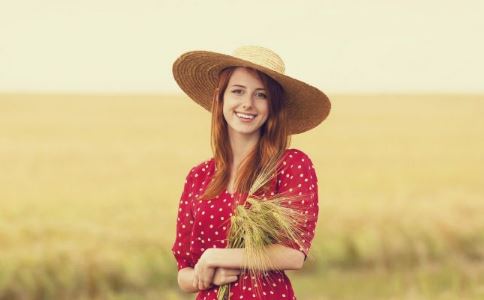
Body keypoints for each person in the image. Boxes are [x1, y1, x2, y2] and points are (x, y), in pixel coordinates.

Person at [171, 45, 331, 300]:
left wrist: (216, 256)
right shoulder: (198, 176)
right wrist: (207, 275)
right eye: (237, 91)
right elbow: (185, 273)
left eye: (261, 95)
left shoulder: (291, 165)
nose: (248, 104)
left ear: (273, 106)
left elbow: (293, 253)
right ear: (219, 98)